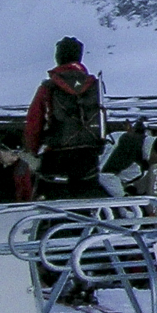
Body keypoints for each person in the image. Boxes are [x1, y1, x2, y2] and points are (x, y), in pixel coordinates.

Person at [23, 37, 106, 200]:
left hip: (56, 156)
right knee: (84, 205)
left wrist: (34, 149)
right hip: (88, 156)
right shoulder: (95, 86)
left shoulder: (49, 87)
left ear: (58, 57)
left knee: (53, 206)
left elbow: (34, 122)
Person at [97, 121, 157, 198]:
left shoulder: (142, 157)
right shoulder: (129, 148)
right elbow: (105, 175)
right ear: (154, 150)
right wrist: (123, 197)